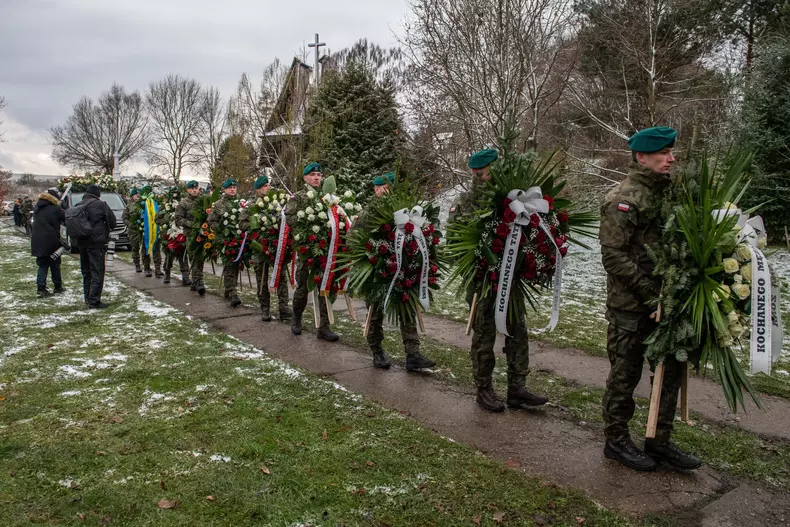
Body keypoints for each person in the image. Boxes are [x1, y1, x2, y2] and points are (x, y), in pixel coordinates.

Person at [599, 126, 701, 472]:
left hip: (669, 303)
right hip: (630, 305)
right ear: (642, 157)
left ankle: (659, 440)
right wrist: (649, 291)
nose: (671, 159)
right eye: (663, 153)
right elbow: (613, 256)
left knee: (669, 372)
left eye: (672, 153)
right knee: (625, 374)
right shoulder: (623, 198)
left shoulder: (672, 196)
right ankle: (616, 441)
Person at [457, 148, 548, 413]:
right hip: (483, 282)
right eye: (482, 172)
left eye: (489, 170)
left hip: (512, 279)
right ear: (476, 173)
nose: (485, 175)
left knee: (518, 331)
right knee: (484, 336)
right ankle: (483, 388)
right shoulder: (466, 202)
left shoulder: (512, 197)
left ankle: (517, 387)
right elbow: (457, 242)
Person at [357, 172, 436, 370]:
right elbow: (354, 239)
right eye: (385, 186)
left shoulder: (402, 210)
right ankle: (377, 351)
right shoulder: (369, 213)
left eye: (391, 186)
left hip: (401, 269)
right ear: (376, 189)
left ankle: (413, 354)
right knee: (375, 313)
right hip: (377, 271)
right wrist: (372, 258)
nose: (389, 190)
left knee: (407, 308)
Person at [285, 162, 339, 342]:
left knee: (324, 286)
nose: (317, 177)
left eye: (319, 174)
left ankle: (323, 327)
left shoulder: (327, 197)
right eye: (313, 175)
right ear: (305, 178)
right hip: (307, 250)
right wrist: (306, 234)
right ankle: (296, 319)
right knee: (303, 287)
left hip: (324, 250)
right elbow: (290, 219)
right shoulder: (298, 198)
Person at [240, 174, 292, 322]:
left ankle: (284, 308)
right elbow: (242, 224)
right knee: (262, 278)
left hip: (276, 246)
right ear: (257, 190)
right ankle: (265, 308)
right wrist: (257, 226)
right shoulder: (251, 206)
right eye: (264, 186)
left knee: (281, 277)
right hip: (260, 247)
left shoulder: (276, 205)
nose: (268, 188)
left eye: (268, 186)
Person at [75, 184, 117, 309]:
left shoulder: (78, 205)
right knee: (97, 271)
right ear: (97, 194)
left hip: (82, 243)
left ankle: (87, 297)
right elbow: (113, 222)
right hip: (96, 243)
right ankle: (94, 300)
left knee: (86, 271)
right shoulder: (101, 205)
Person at [208, 178, 243, 307]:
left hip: (240, 239)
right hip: (225, 239)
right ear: (225, 189)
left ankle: (229, 289)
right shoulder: (218, 204)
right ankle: (233, 292)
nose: (232, 189)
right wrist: (222, 228)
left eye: (234, 187)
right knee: (229, 265)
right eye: (230, 188)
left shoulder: (242, 203)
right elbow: (211, 221)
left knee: (236, 265)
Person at [31, 188, 66, 297]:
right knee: (55, 264)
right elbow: (65, 217)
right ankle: (58, 286)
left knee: (42, 264)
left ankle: (41, 288)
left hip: (37, 240)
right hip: (51, 240)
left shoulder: (37, 208)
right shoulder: (56, 209)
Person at [176, 180, 205, 296]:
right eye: (192, 188)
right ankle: (199, 283)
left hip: (202, 235)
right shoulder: (183, 203)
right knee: (194, 258)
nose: (194, 190)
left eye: (196, 188)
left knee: (201, 259)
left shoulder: (202, 201)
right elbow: (178, 220)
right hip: (190, 235)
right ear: (187, 190)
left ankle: (195, 282)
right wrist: (192, 224)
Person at [156, 186, 190, 286]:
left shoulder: (183, 205)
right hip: (169, 235)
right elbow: (157, 219)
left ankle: (186, 277)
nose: (175, 195)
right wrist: (166, 223)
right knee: (169, 256)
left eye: (177, 193)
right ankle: (167, 274)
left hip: (181, 233)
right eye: (173, 193)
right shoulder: (164, 206)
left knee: (183, 256)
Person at [140, 186, 163, 278]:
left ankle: (158, 269)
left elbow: (159, 215)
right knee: (145, 250)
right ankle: (147, 268)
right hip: (144, 231)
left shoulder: (155, 203)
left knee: (156, 250)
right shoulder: (141, 204)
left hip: (155, 230)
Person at [122, 188, 143, 273]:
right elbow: (124, 217)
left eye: (138, 194)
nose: (137, 196)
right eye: (135, 195)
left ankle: (147, 266)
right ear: (132, 196)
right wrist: (130, 224)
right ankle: (137, 265)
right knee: (135, 248)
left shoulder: (142, 204)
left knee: (145, 249)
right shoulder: (128, 206)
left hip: (142, 230)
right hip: (133, 231)